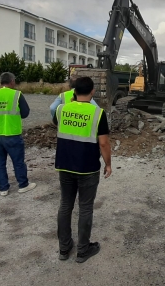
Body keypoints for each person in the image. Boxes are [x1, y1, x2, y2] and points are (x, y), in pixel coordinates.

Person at [53, 76, 112, 263]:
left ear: (74, 91)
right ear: (92, 92)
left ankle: (64, 248)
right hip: (87, 168)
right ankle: (83, 250)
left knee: (65, 205)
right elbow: (103, 143)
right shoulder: (98, 113)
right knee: (85, 208)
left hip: (65, 165)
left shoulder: (61, 109)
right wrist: (108, 164)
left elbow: (59, 124)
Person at [0, 72, 37, 196]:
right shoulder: (16, 94)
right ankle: (23, 185)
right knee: (18, 161)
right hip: (12, 133)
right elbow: (25, 113)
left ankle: (3, 188)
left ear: (1, 82)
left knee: (0, 162)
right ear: (12, 81)